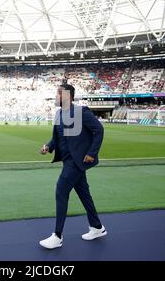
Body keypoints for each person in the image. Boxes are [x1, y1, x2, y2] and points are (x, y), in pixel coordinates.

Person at [39, 83, 106, 249]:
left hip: (76, 162)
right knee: (84, 193)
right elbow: (57, 137)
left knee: (61, 191)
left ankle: (57, 236)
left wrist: (92, 153)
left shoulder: (81, 112)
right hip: (68, 161)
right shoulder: (59, 113)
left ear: (67, 96)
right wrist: (48, 146)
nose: (56, 96)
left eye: (58, 93)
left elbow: (99, 129)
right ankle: (97, 227)